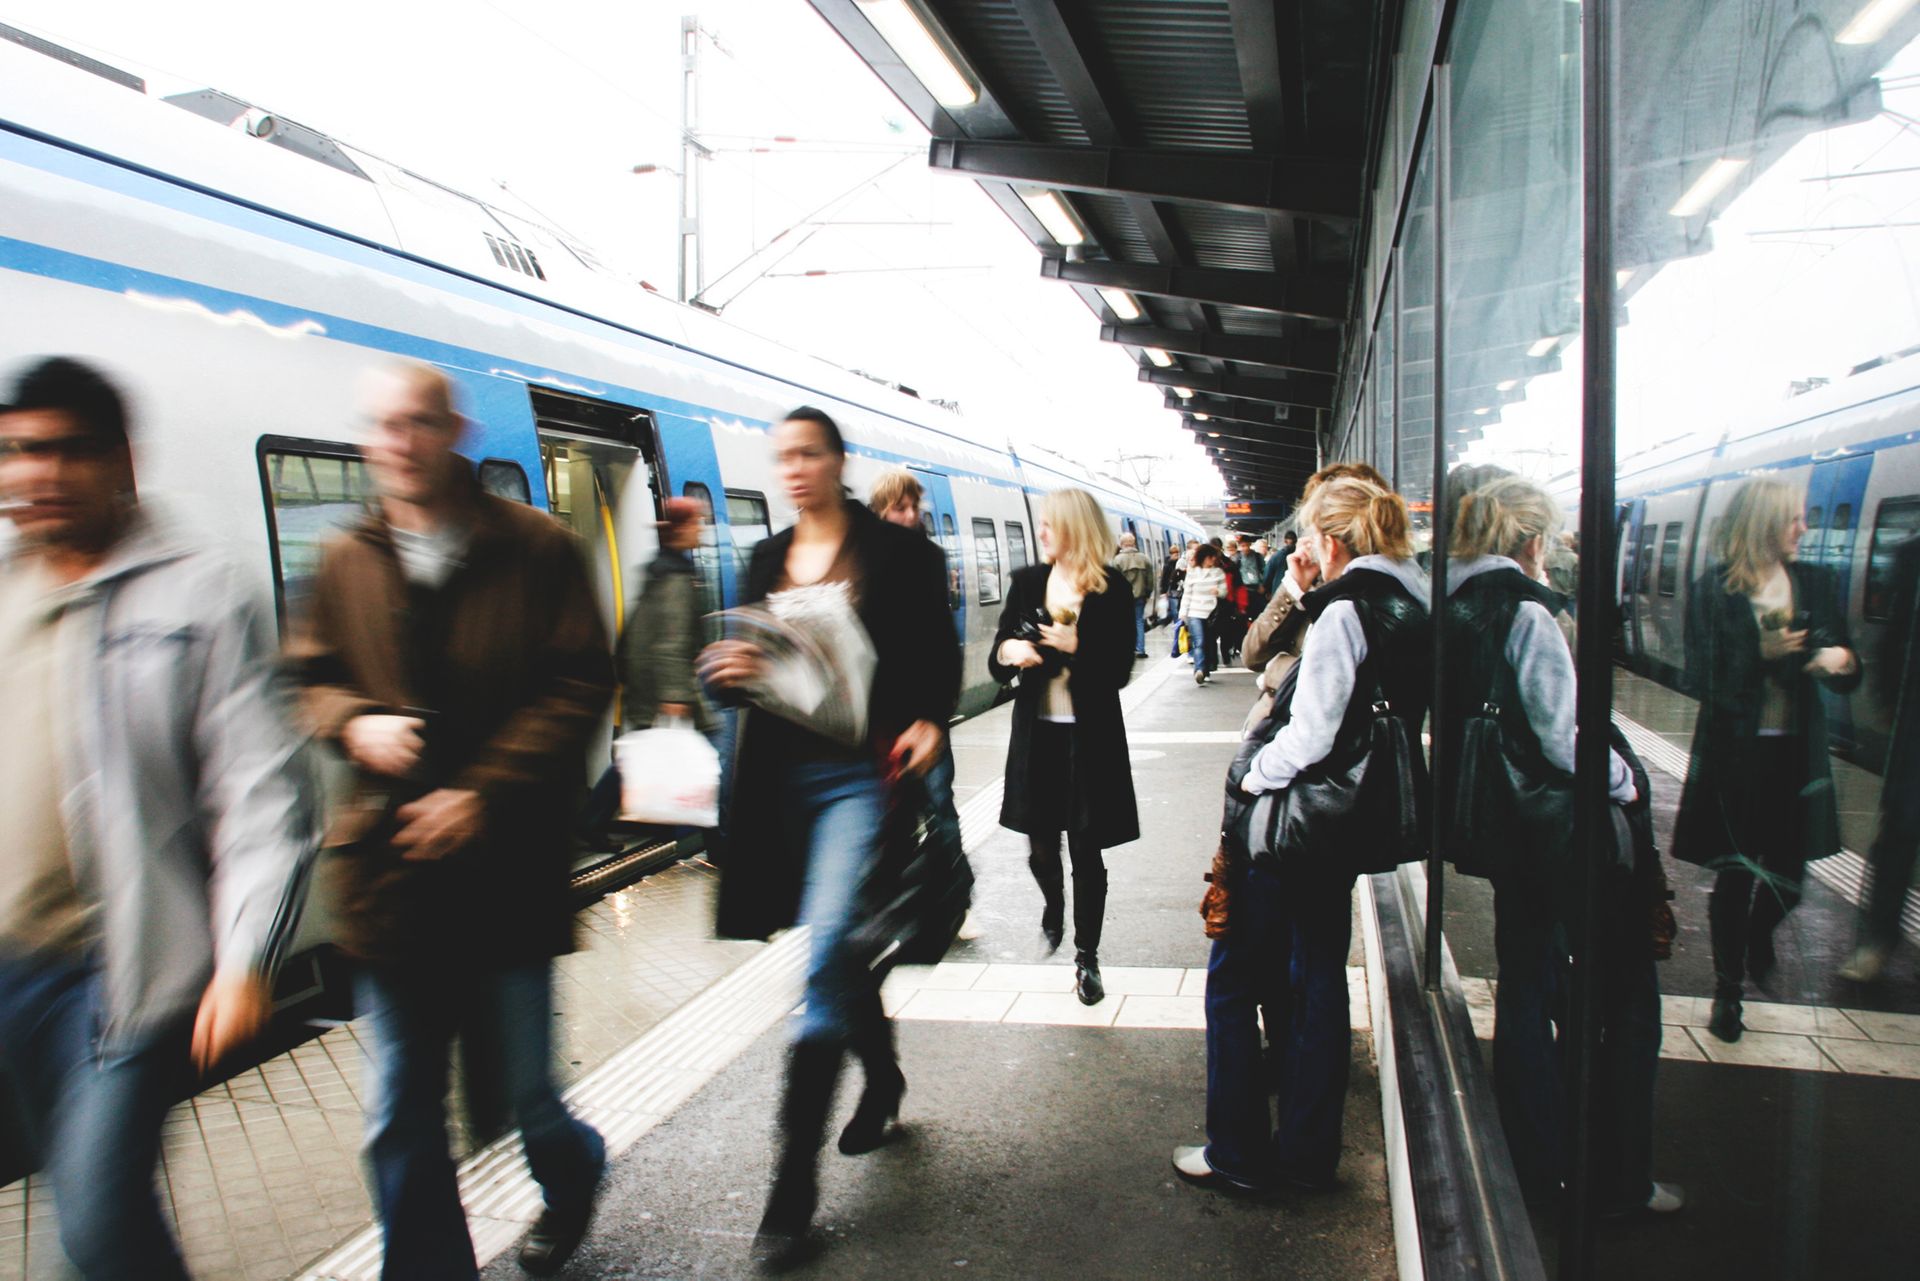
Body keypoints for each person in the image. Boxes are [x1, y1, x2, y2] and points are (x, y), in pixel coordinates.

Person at [288, 361, 614, 1279]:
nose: (397, 443)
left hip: (505, 874)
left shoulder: (537, 548)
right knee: (400, 1108)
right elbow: (308, 677)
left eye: (416, 424)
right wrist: (356, 720)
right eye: (382, 426)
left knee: (523, 1101)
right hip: (393, 883)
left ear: (456, 432)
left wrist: (482, 792)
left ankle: (575, 1171)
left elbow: (583, 682)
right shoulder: (345, 557)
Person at [0, 357, 318, 1279]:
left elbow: (264, 792)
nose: (39, 474)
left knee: (96, 1223)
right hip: (15, 966)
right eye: (19, 450)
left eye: (68, 450)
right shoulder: (8, 590)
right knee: (84, 1212)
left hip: (130, 972)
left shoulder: (197, 594)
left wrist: (248, 957)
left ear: (122, 461)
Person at [699, 409, 957, 1268]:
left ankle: (791, 1184)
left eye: (810, 454)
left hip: (860, 779)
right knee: (842, 951)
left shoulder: (898, 555)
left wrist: (930, 719)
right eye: (784, 457)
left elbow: (935, 650)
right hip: (782, 787)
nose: (795, 469)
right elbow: (751, 667)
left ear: (839, 462)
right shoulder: (767, 559)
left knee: (820, 960)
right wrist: (725, 670)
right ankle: (881, 1075)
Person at [1176, 476, 1430, 1194]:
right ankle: (1309, 1153)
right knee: (1319, 976)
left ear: (1331, 538)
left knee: (1232, 982)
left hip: (1299, 821)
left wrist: (1257, 776)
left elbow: (1311, 731)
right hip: (1344, 827)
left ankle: (1236, 1152)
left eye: (1312, 535)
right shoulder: (1405, 600)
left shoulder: (1347, 610)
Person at [1441, 475, 1678, 1213]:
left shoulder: (1454, 599)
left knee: (1523, 980)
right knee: (1568, 985)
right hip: (1546, 822)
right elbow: (1556, 730)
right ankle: (1563, 1162)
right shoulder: (1525, 610)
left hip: (1498, 819)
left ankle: (1529, 1158)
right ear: (1532, 540)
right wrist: (1625, 782)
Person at [1673, 476, 1859, 1043]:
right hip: (1735, 757)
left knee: (1791, 879)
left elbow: (1852, 664)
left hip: (1792, 756)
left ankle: (1757, 939)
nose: (1803, 528)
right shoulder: (1715, 592)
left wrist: (1838, 659)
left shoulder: (1815, 583)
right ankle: (1727, 992)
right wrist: (1761, 655)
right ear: (1763, 525)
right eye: (1793, 518)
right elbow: (1702, 676)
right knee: (1735, 875)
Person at [990, 488, 1141, 1005]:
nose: (1043, 534)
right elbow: (998, 651)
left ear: (1075, 528)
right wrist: (1011, 650)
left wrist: (1080, 647)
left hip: (1089, 737)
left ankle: (1087, 957)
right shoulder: (1029, 582)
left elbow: (1120, 668)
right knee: (1038, 846)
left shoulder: (1111, 589)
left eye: (1051, 525)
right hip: (1039, 733)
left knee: (1086, 850)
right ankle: (1053, 903)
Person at [869, 468, 975, 941]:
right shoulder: (860, 560)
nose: (910, 516)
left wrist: (933, 717)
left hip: (923, 718)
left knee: (939, 807)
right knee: (887, 815)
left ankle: (954, 899)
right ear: (879, 511)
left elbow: (942, 648)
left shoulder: (929, 559)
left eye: (915, 507)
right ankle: (895, 902)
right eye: (899, 507)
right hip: (876, 721)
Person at [1843, 527, 1920, 983]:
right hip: (1916, 724)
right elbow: (1894, 642)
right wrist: (1891, 704)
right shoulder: (1912, 553)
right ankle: (1877, 939)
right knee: (1900, 832)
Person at [1182, 544, 1229, 685]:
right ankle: (1199, 670)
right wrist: (1183, 613)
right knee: (1199, 641)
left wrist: (1218, 592)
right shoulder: (1192, 573)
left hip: (1211, 612)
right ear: (1204, 557)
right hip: (1195, 611)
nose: (1213, 560)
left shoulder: (1218, 573)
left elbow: (1224, 592)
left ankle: (1206, 669)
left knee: (1209, 641)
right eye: (1210, 557)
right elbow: (1187, 594)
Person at [1114, 530, 1156, 659]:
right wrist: (1147, 593)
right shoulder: (1145, 559)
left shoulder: (1117, 560)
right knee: (1138, 621)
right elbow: (1150, 580)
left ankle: (1126, 649)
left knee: (1124, 622)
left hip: (1122, 598)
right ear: (1133, 543)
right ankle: (1140, 649)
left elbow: (1114, 582)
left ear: (1122, 544)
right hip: (1140, 596)